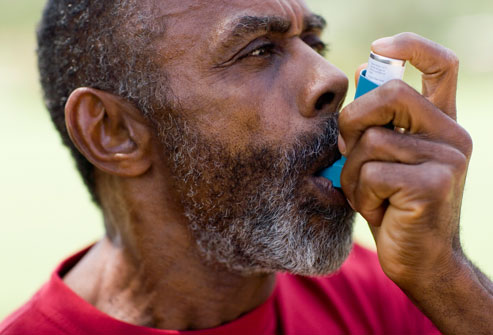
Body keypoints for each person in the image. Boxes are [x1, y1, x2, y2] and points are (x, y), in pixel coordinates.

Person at [1, 0, 492, 334]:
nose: (332, 77)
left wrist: (445, 275)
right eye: (258, 50)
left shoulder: (391, 287)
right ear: (112, 131)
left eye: (314, 43)